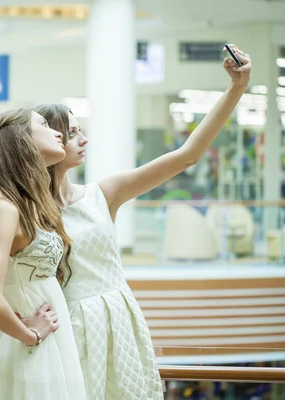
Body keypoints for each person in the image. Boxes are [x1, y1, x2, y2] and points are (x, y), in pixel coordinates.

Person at [33, 44, 252, 399]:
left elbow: (186, 156)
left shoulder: (103, 194)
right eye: (72, 133)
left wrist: (236, 89)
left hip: (118, 319)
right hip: (68, 328)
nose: (83, 139)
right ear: (48, 141)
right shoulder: (24, 210)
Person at [0, 109, 86, 399]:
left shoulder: (29, 203)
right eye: (45, 125)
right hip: (26, 347)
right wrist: (30, 334)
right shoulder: (4, 207)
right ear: (20, 140)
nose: (59, 133)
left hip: (48, 343)